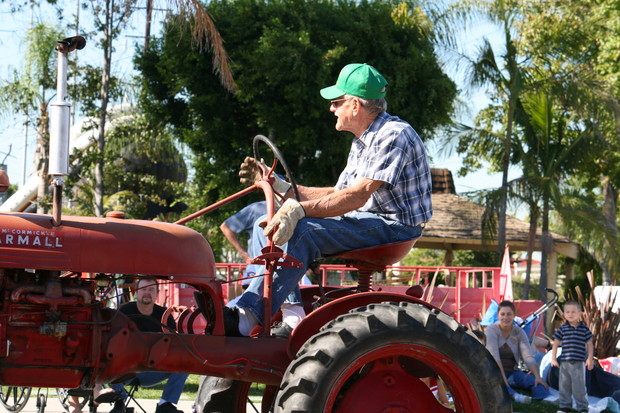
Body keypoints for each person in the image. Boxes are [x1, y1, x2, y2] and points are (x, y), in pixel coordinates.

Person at [222, 63, 432, 337]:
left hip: (395, 228)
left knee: (304, 231)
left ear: (354, 105)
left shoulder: (394, 134)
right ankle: (290, 311)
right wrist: (280, 185)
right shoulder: (363, 141)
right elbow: (337, 194)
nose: (331, 109)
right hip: (369, 219)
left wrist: (300, 210)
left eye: (336, 102)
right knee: (266, 223)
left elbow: (357, 195)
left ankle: (248, 316)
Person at [220, 201, 305, 336]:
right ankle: (242, 316)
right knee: (267, 224)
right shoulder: (257, 207)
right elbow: (226, 226)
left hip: (281, 264)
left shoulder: (297, 206)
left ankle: (291, 314)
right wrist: (244, 254)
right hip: (261, 266)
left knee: (278, 231)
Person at [107, 278, 188, 413]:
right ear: (136, 292)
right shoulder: (124, 312)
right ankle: (120, 402)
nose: (147, 293)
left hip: (154, 369)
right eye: (143, 289)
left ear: (157, 294)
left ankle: (165, 404)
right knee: (105, 362)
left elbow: (174, 344)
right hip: (125, 371)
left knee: (185, 363)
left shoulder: (165, 315)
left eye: (151, 290)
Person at [485, 300, 550, 404]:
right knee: (500, 385)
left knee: (534, 381)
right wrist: (505, 383)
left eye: (509, 314)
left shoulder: (519, 332)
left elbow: (527, 356)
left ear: (514, 315)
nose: (506, 317)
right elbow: (495, 358)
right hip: (494, 372)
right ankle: (514, 395)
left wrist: (537, 376)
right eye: (502, 314)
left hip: (512, 373)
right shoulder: (491, 331)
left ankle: (543, 398)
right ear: (498, 315)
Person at [551, 300, 594, 413]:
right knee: (564, 385)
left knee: (579, 386)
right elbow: (555, 344)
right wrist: (553, 358)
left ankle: (583, 408)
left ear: (579, 313)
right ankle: (565, 407)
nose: (570, 314)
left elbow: (590, 344)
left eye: (573, 312)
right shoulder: (562, 329)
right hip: (564, 362)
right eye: (567, 312)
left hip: (578, 363)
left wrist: (590, 359)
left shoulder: (584, 329)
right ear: (564, 314)